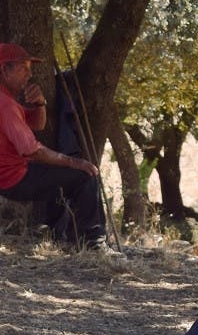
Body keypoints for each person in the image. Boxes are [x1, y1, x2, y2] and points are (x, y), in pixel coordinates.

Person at [0, 42, 123, 257]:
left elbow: (37, 125)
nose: (29, 75)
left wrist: (39, 103)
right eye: (23, 68)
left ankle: (63, 234)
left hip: (11, 174)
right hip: (14, 179)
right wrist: (74, 162)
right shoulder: (5, 104)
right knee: (84, 175)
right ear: (4, 70)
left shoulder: (7, 100)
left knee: (67, 176)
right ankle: (94, 245)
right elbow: (32, 150)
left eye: (30, 68)